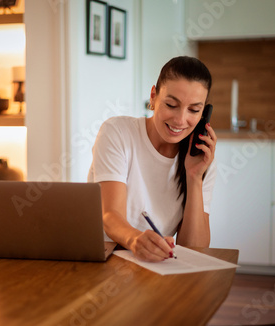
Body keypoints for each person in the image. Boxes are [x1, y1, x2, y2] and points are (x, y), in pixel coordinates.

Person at [88, 56, 217, 262]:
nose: (180, 120)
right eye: (171, 104)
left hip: (154, 265)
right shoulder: (117, 132)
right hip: (105, 258)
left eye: (193, 110)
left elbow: (194, 248)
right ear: (154, 96)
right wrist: (135, 240)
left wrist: (194, 177)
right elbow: (110, 216)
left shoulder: (201, 159)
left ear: (204, 114)